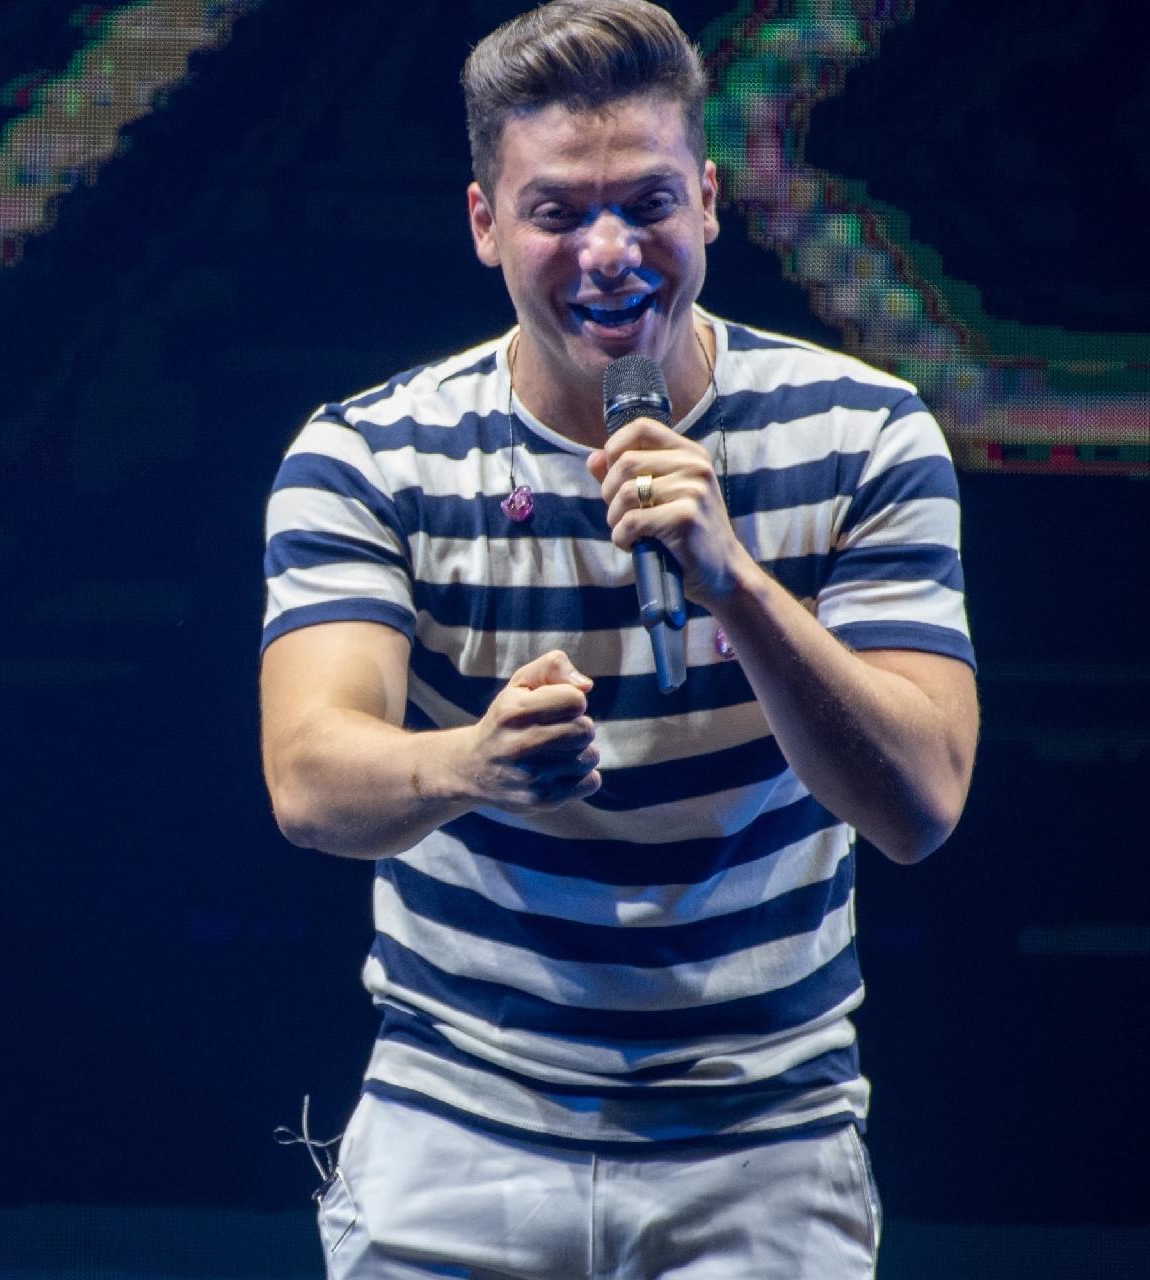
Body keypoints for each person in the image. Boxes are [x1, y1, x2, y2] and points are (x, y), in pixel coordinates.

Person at [257, 1, 978, 1276]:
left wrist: (733, 579)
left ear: (708, 201)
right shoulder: (368, 453)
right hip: (458, 1125)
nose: (608, 251)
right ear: (485, 223)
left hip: (762, 1138)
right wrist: (467, 763)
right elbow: (310, 778)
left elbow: (921, 801)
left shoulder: (866, 433)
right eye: (556, 213)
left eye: (647, 203)